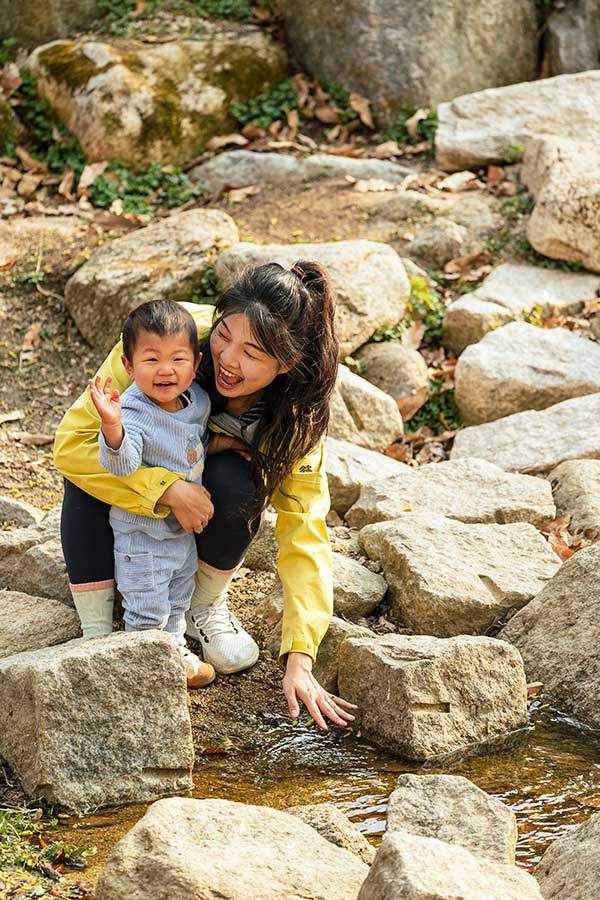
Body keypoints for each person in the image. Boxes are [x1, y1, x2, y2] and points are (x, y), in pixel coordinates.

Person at [54, 260, 356, 731]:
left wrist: (301, 656)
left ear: (287, 362)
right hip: (134, 501)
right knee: (100, 451)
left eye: (253, 353)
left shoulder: (296, 417)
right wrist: (168, 490)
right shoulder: (166, 339)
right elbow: (70, 445)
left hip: (195, 520)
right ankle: (96, 627)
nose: (228, 360)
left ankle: (201, 606)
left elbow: (306, 533)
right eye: (224, 335)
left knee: (240, 481)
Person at [89, 299, 216, 689]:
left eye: (178, 359)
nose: (166, 370)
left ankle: (173, 649)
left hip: (181, 533)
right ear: (128, 367)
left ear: (195, 364)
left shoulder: (199, 402)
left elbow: (197, 443)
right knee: (147, 609)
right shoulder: (131, 411)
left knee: (177, 599)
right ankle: (143, 671)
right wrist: (112, 427)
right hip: (142, 536)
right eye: (151, 360)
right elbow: (123, 464)